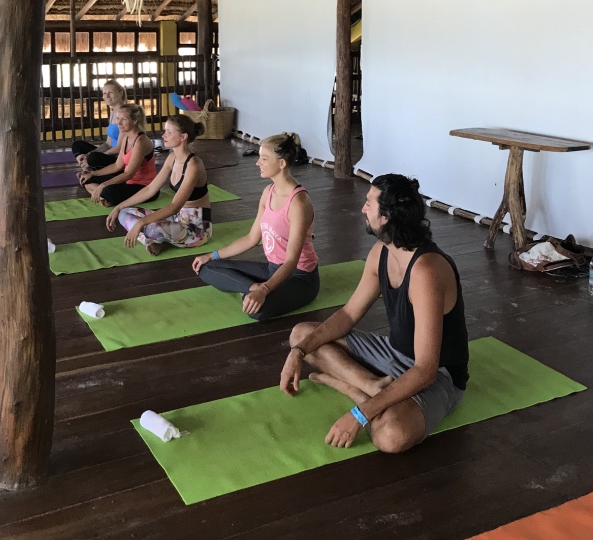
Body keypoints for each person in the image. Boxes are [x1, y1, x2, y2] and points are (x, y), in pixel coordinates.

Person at [279, 173, 468, 454]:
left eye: (369, 203)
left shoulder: (426, 271)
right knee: (302, 335)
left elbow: (425, 370)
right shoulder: (381, 251)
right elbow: (348, 315)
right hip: (393, 354)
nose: (362, 209)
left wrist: (360, 414)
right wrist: (298, 352)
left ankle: (356, 391)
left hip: (439, 375)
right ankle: (373, 386)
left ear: (387, 217)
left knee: (391, 436)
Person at [192, 133, 319, 322]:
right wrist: (212, 255)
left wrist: (265, 289)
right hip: (272, 268)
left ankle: (253, 290)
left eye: (264, 159)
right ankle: (253, 288)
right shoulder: (268, 192)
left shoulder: (299, 203)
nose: (257, 163)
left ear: (282, 163)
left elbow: (292, 261)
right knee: (206, 267)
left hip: (299, 277)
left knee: (255, 310)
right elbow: (252, 238)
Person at [106, 114, 212, 256]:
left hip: (196, 229)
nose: (163, 135)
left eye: (169, 132)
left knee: (151, 227)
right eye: (165, 131)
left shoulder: (194, 164)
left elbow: (175, 206)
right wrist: (119, 206)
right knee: (123, 213)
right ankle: (152, 242)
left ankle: (152, 238)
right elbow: (150, 189)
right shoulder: (172, 157)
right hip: (176, 220)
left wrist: (141, 223)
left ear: (183, 137)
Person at [78, 103, 157, 207]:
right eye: (118, 118)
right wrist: (93, 174)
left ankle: (105, 196)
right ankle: (104, 198)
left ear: (135, 120)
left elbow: (129, 174)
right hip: (128, 182)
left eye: (124, 119)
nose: (118, 123)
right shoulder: (126, 138)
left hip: (145, 188)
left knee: (108, 191)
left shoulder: (140, 141)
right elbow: (117, 166)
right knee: (87, 179)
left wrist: (103, 185)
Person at [72, 78, 128, 169]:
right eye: (104, 93)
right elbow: (108, 144)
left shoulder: (125, 113)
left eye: (111, 93)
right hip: (110, 153)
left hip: (119, 158)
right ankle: (86, 166)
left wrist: (93, 156)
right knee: (77, 145)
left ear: (121, 93)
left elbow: (120, 148)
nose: (107, 96)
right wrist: (89, 154)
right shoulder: (113, 113)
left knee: (93, 158)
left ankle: (89, 168)